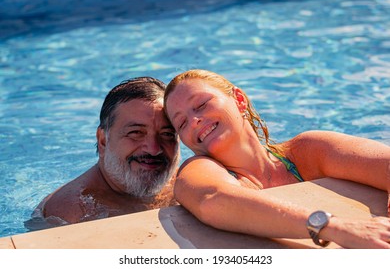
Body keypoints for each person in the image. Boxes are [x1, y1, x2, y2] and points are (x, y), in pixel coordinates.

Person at [163, 69, 390, 249]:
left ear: (239, 100)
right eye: (181, 123)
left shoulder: (307, 151)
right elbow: (212, 201)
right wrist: (336, 228)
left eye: (201, 105)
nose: (194, 121)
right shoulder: (198, 170)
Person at [26, 77, 180, 230]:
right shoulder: (74, 213)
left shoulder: (183, 183)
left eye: (167, 134)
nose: (153, 149)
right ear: (103, 141)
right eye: (136, 133)